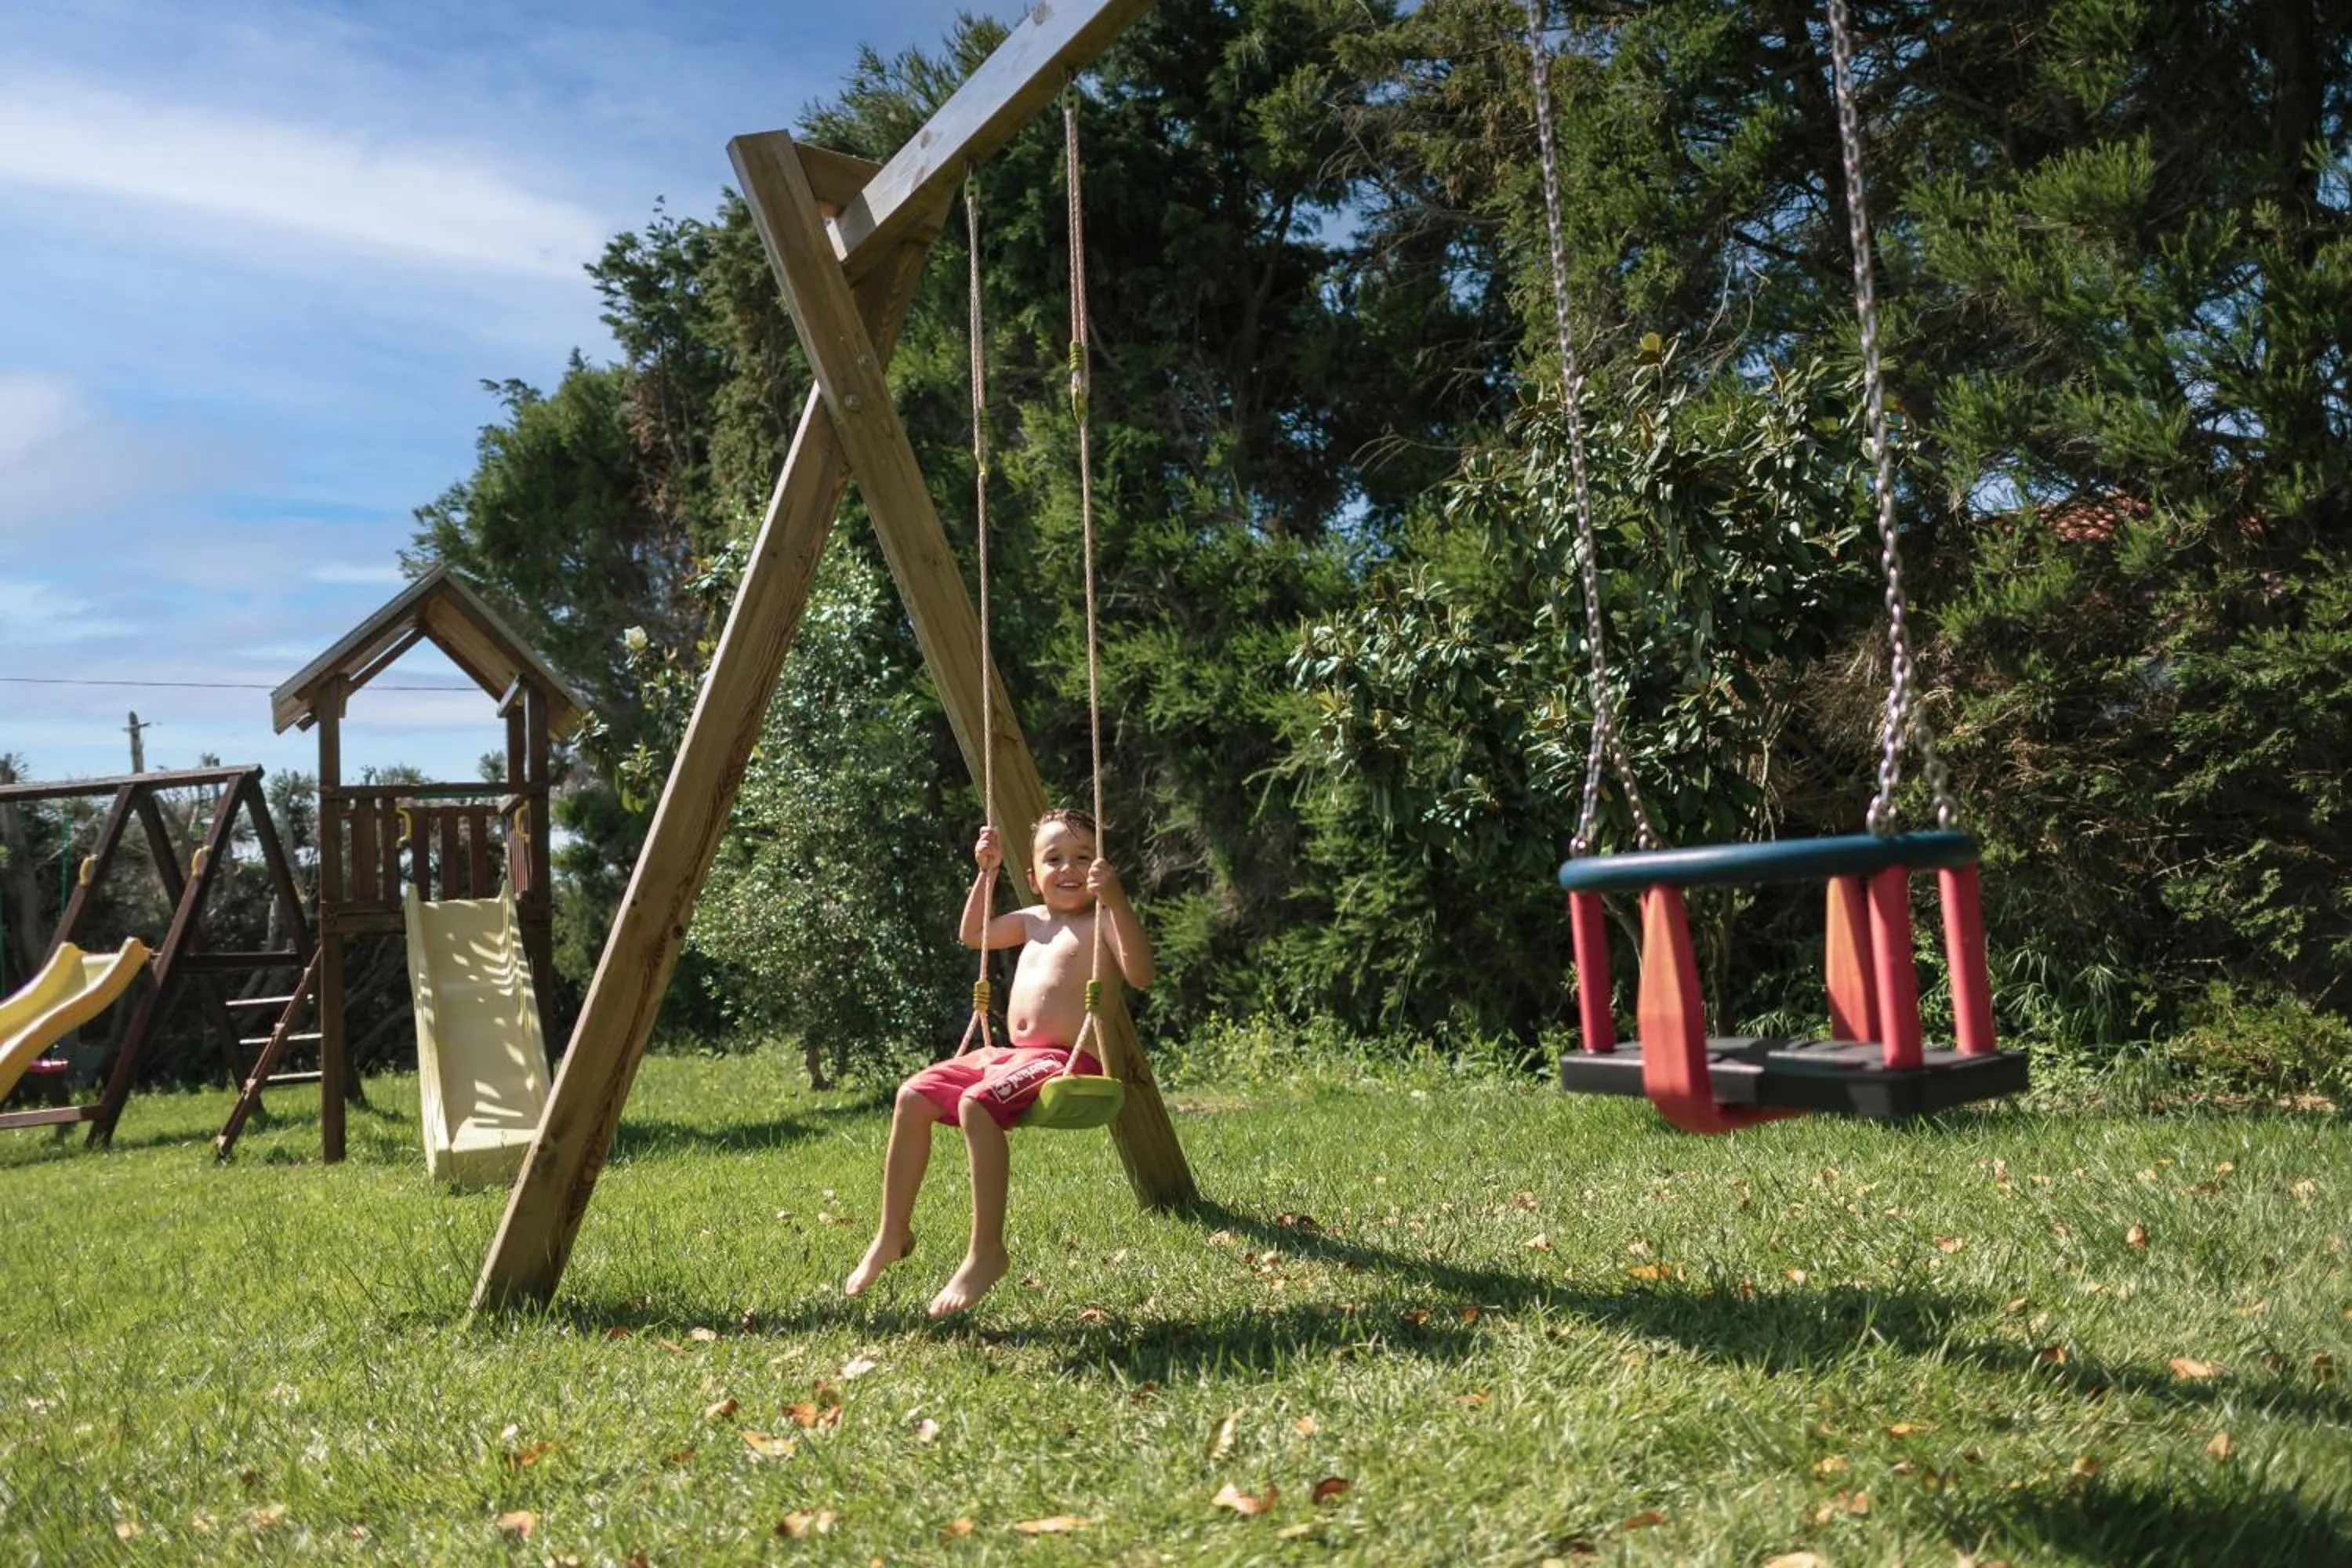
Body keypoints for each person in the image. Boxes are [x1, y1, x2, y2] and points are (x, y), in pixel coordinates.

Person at [844, 808, 1153, 1316]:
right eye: (1053, 859)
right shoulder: (1031, 921)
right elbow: (975, 935)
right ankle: (891, 1233)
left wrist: (1117, 901)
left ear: (1101, 868)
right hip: (1008, 1056)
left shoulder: (1101, 922)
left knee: (976, 1105)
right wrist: (985, 874)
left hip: (1069, 1062)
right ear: (1032, 877)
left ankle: (986, 1251)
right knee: (913, 1096)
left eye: (1081, 857)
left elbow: (1140, 974)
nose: (1068, 868)